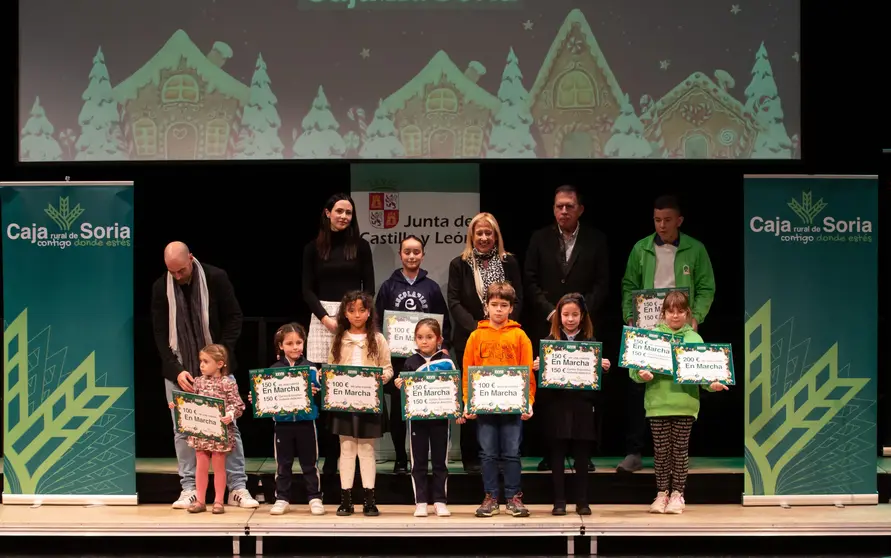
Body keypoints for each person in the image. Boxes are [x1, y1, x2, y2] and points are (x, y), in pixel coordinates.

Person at [151, 241, 259, 510]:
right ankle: (189, 488)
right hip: (180, 371)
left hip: (218, 371)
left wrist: (218, 360)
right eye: (171, 272)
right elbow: (159, 333)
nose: (177, 277)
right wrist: (177, 371)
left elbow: (235, 317)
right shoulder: (159, 288)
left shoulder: (216, 277)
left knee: (229, 426)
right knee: (182, 429)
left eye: (181, 270)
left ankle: (237, 487)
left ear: (191, 258)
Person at [617, 195, 715, 474]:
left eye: (668, 220)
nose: (662, 225)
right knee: (640, 384)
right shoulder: (641, 248)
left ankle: (680, 453)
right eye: (657, 220)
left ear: (679, 221)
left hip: (681, 326)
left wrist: (695, 317)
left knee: (682, 385)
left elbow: (707, 286)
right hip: (648, 328)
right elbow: (628, 285)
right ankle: (634, 451)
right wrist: (630, 316)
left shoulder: (695, 249)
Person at [524, 185, 608, 472]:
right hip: (550, 327)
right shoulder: (539, 238)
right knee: (552, 395)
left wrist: (580, 312)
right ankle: (552, 453)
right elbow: (530, 280)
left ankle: (584, 454)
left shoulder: (597, 240)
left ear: (580, 209)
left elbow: (602, 282)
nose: (563, 211)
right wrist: (553, 312)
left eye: (569, 206)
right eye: (559, 206)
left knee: (585, 395)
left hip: (585, 329)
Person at [629, 291, 728, 514]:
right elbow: (634, 371)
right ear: (663, 313)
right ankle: (662, 493)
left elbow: (703, 376)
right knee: (661, 451)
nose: (675, 316)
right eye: (671, 311)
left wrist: (713, 385)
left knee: (680, 450)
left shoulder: (694, 339)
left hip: (685, 403)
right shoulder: (651, 337)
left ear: (687, 313)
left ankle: (678, 494)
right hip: (657, 403)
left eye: (680, 311)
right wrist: (641, 374)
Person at [303, 193, 375, 474]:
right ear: (327, 212)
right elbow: (307, 289)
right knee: (326, 391)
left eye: (348, 212)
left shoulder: (361, 246)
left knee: (349, 386)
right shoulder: (312, 248)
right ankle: (330, 457)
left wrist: (353, 317)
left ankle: (351, 454)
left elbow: (368, 286)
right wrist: (325, 318)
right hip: (322, 320)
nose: (344, 216)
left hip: (353, 318)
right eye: (339, 211)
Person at [448, 212, 523, 473]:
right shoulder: (459, 264)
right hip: (471, 338)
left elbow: (519, 298)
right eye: (479, 233)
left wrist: (502, 327)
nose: (483, 238)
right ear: (471, 236)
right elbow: (454, 301)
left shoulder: (509, 262)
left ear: (496, 236)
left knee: (503, 394)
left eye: (488, 233)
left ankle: (505, 456)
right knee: (473, 396)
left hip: (505, 339)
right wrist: (479, 329)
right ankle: (472, 457)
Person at [375, 235, 452, 474]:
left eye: (416, 252)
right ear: (400, 254)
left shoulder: (431, 287)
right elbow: (377, 322)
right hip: (399, 360)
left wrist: (444, 345)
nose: (411, 256)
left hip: (427, 359)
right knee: (400, 411)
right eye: (407, 251)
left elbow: (444, 321)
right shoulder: (389, 286)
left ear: (423, 255)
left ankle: (429, 460)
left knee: (427, 407)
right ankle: (401, 458)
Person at [532, 293, 610, 516]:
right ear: (558, 316)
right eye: (565, 314)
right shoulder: (550, 343)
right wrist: (538, 367)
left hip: (583, 407)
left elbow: (599, 386)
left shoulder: (592, 343)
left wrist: (603, 368)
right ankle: (559, 501)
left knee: (582, 456)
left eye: (575, 314)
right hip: (557, 406)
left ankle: (583, 501)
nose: (570, 319)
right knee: (556, 456)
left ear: (583, 316)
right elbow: (544, 381)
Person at [462, 282, 534, 518]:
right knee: (488, 453)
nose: (499, 310)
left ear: (511, 308)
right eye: (494, 305)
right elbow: (467, 372)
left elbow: (527, 371)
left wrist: (528, 401)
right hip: (484, 408)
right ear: (486, 306)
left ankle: (514, 497)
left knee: (512, 452)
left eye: (504, 305)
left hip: (513, 408)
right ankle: (491, 496)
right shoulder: (475, 336)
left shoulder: (520, 336)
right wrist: (467, 402)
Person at [327, 291, 394, 517]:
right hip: (344, 404)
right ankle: (346, 499)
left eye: (362, 310)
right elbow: (331, 369)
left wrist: (381, 378)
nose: (357, 315)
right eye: (352, 310)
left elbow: (388, 368)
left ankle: (369, 500)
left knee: (366, 449)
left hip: (369, 403)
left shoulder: (378, 339)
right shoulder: (338, 339)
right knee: (346, 449)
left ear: (369, 313)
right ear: (345, 313)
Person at [170, 344, 245, 514]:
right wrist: (177, 405)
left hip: (219, 433)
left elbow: (238, 405)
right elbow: (189, 401)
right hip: (201, 433)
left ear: (220, 364)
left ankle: (218, 501)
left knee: (219, 466)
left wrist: (230, 414)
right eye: (200, 361)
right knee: (201, 466)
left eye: (206, 361)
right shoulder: (197, 382)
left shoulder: (227, 383)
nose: (201, 365)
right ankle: (200, 500)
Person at [394, 318, 455, 518]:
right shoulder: (410, 362)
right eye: (420, 337)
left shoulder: (446, 362)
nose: (424, 341)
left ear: (439, 339)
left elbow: (452, 388)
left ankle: (440, 500)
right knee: (418, 461)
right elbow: (407, 390)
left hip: (440, 420)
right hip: (417, 420)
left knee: (440, 461)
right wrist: (401, 384)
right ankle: (420, 501)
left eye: (429, 337)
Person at [266, 323, 325, 516]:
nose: (295, 347)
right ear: (281, 346)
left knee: (310, 462)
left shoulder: (312, 369)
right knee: (283, 464)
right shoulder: (273, 370)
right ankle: (282, 498)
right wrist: (258, 397)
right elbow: (267, 396)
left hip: (306, 423)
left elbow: (324, 394)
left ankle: (315, 497)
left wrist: (318, 390)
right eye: (290, 343)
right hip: (282, 424)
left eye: (299, 342)